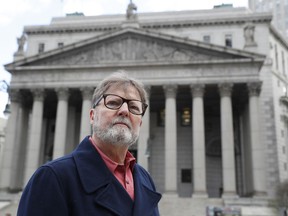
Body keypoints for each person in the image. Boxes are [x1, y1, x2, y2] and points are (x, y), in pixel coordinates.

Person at [17, 71, 162, 216]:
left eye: (134, 108)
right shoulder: (53, 177)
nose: (124, 111)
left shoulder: (144, 178)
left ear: (140, 123)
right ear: (92, 116)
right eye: (113, 103)